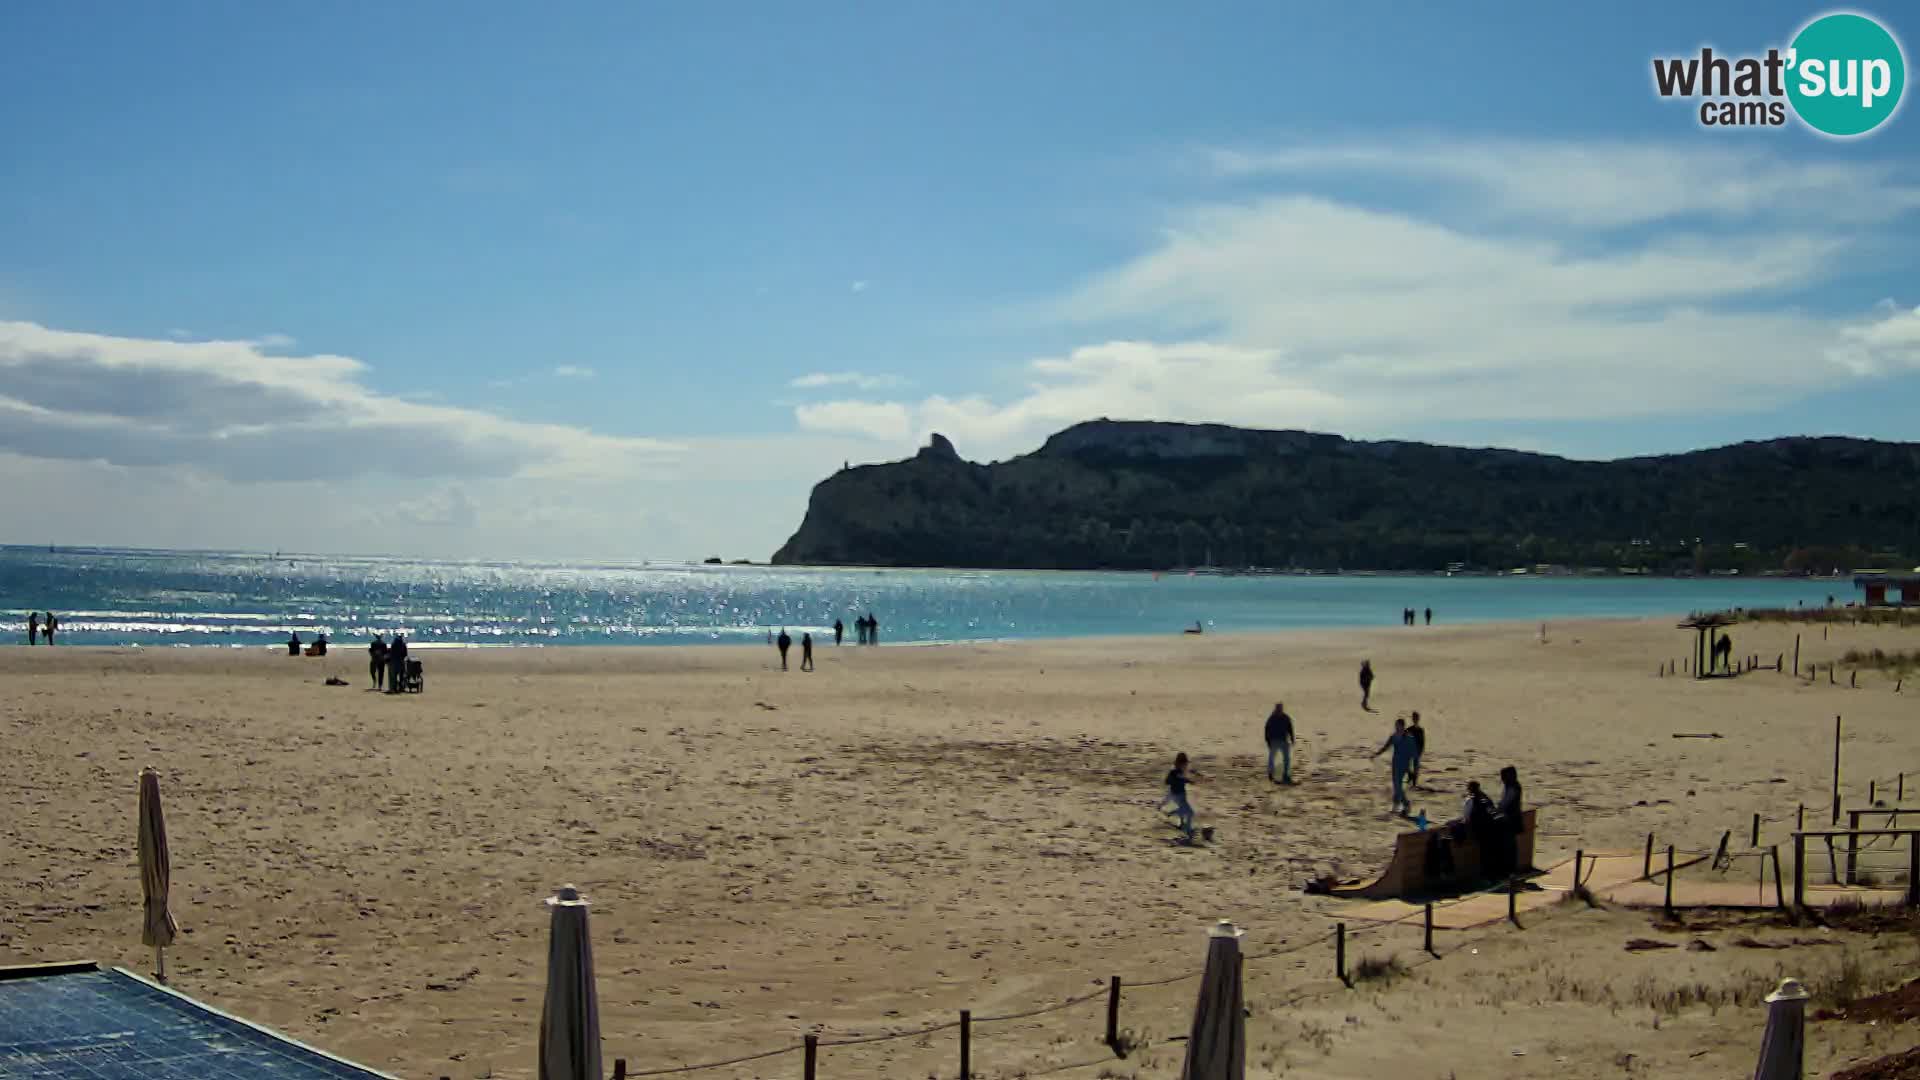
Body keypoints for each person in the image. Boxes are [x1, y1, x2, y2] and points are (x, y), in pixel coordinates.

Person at [1370, 717, 1415, 816]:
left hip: (1404, 765)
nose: (1396, 727)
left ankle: (1406, 804)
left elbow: (1412, 753)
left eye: (1398, 726)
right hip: (1395, 764)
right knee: (1396, 785)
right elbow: (1386, 747)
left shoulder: (1409, 738)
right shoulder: (1393, 737)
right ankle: (1396, 805)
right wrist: (1376, 754)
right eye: (1396, 725)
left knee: (1398, 785)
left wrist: (1410, 768)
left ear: (1403, 726)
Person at [1490, 766, 1525, 880]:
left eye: (1504, 776)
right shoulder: (1509, 786)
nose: (1502, 779)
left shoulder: (1514, 787)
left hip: (1511, 822)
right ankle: (1508, 871)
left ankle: (1510, 872)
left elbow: (1508, 803)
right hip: (1507, 821)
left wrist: (1499, 810)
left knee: (1510, 848)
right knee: (1507, 847)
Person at [1164, 753, 1202, 838]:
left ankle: (1180, 822)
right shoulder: (1174, 772)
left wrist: (1197, 774)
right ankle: (1187, 829)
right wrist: (1185, 780)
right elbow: (1168, 781)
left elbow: (1189, 771)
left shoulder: (1179, 769)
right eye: (1185, 763)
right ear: (1180, 763)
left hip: (1178, 794)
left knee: (1184, 809)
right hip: (1177, 795)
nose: (1186, 765)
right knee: (1190, 813)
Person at [1263, 701, 1295, 784]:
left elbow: (1290, 728)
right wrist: (1268, 741)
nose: (1279, 710)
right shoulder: (1272, 718)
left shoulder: (1285, 717)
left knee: (1286, 759)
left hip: (1284, 741)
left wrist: (1292, 738)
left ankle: (1286, 776)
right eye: (1278, 708)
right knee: (1272, 758)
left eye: (1280, 708)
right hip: (1274, 741)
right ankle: (1271, 774)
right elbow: (1267, 730)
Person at [1406, 711, 1426, 788]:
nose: (1415, 719)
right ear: (1412, 719)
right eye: (1414, 718)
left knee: (1416, 767)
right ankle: (1411, 777)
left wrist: (1421, 751)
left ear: (1418, 719)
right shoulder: (1409, 729)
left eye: (1416, 718)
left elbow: (1423, 742)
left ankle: (1414, 783)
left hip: (1417, 751)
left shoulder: (1420, 730)